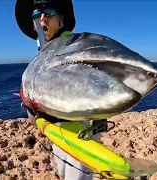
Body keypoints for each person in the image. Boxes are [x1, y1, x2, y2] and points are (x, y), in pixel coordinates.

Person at [14, 0, 107, 179]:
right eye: (36, 16)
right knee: (64, 172)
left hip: (81, 129)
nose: (42, 19)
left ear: (61, 19)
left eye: (48, 13)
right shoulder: (44, 53)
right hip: (57, 128)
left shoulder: (74, 45)